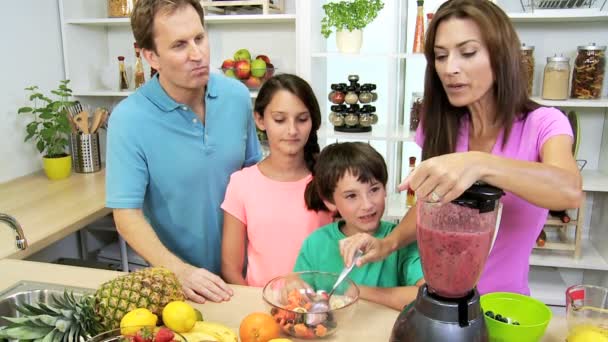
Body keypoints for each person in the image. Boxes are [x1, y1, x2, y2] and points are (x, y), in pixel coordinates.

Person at [339, 0, 581, 296]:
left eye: (467, 53)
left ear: (500, 55)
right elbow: (430, 204)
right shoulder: (440, 124)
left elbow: (569, 190)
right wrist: (387, 244)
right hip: (436, 303)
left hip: (503, 305)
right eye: (440, 56)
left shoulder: (543, 124)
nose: (450, 68)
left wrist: (480, 164)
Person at [105, 0, 262, 303]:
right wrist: (179, 271)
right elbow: (126, 215)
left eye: (199, 38)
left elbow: (254, 176)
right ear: (151, 56)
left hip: (246, 276)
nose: (197, 54)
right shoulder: (129, 119)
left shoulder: (237, 96)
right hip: (181, 286)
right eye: (179, 45)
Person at [221, 74, 333, 287]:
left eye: (302, 119)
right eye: (280, 120)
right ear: (260, 120)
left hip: (321, 309)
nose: (292, 130)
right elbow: (231, 269)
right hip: (261, 311)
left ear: (313, 121)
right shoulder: (241, 184)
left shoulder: (328, 180)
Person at [295, 142, 424, 310]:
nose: (367, 204)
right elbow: (298, 293)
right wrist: (292, 285)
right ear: (330, 202)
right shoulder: (316, 243)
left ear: (385, 189)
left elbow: (425, 297)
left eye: (374, 190)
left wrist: (357, 291)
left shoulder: (402, 240)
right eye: (351, 196)